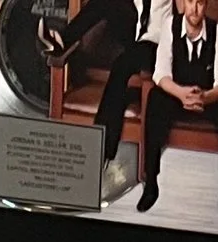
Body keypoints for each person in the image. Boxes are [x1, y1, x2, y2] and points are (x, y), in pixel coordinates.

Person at [35, 0, 168, 187]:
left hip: (158, 44)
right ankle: (62, 42)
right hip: (135, 34)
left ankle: (102, 151)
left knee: (121, 67)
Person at [139, 0, 218, 221]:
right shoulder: (170, 25)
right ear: (182, 3)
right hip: (177, 95)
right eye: (189, 1)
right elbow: (160, 74)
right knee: (155, 99)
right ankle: (151, 184)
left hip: (206, 96)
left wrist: (204, 97)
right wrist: (181, 93)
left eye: (199, 3)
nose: (194, 8)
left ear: (205, 5)